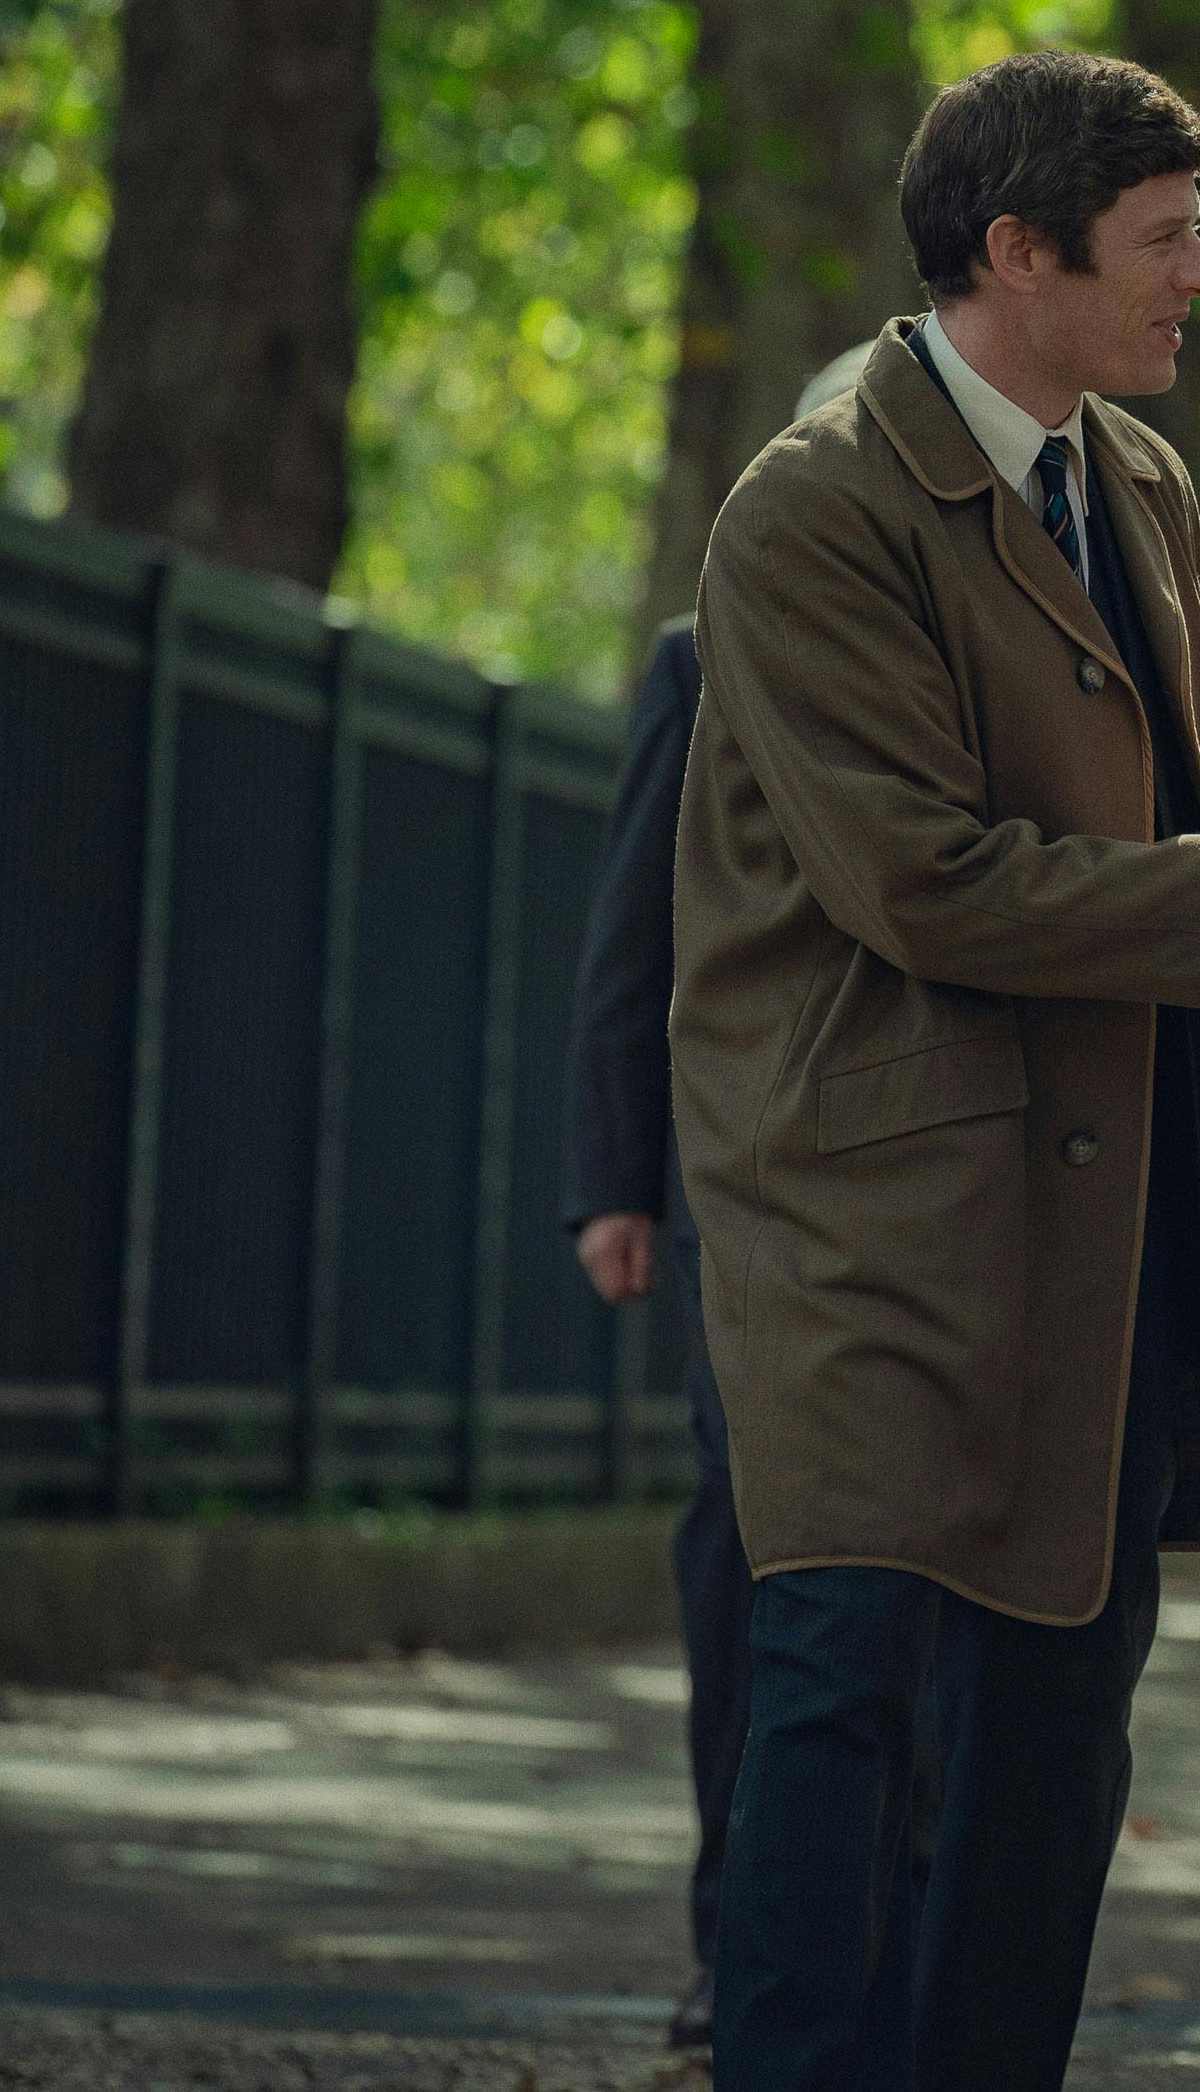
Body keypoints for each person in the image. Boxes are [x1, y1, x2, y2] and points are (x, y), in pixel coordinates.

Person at [669, 49, 1200, 2090]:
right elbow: (916, 880)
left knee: (1062, 1710)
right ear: (1012, 251)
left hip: (1103, 1204)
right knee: (841, 1689)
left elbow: (1124, 845)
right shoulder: (809, 506)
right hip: (869, 1206)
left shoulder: (1132, 478)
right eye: (1163, 237)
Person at [562, 611, 746, 2050]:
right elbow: (635, 926)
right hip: (731, 1188)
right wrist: (613, 1180)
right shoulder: (701, 657)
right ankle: (734, 1940)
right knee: (745, 1544)